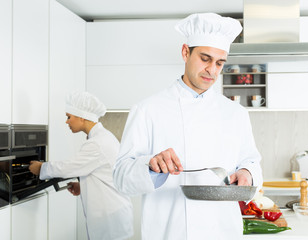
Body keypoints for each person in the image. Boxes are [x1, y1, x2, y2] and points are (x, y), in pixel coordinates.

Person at [113, 13, 263, 240]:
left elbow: (251, 162)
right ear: (185, 52)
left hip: (222, 231)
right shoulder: (148, 110)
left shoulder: (236, 114)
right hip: (169, 232)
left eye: (219, 63)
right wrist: (151, 166)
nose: (212, 70)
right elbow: (121, 179)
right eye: (205, 58)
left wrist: (247, 173)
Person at [29, 92, 134, 240]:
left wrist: (41, 168)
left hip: (111, 221)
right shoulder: (101, 138)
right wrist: (83, 186)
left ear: (82, 116)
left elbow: (69, 167)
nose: (67, 122)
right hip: (112, 216)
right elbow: (102, 174)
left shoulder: (97, 143)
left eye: (69, 117)